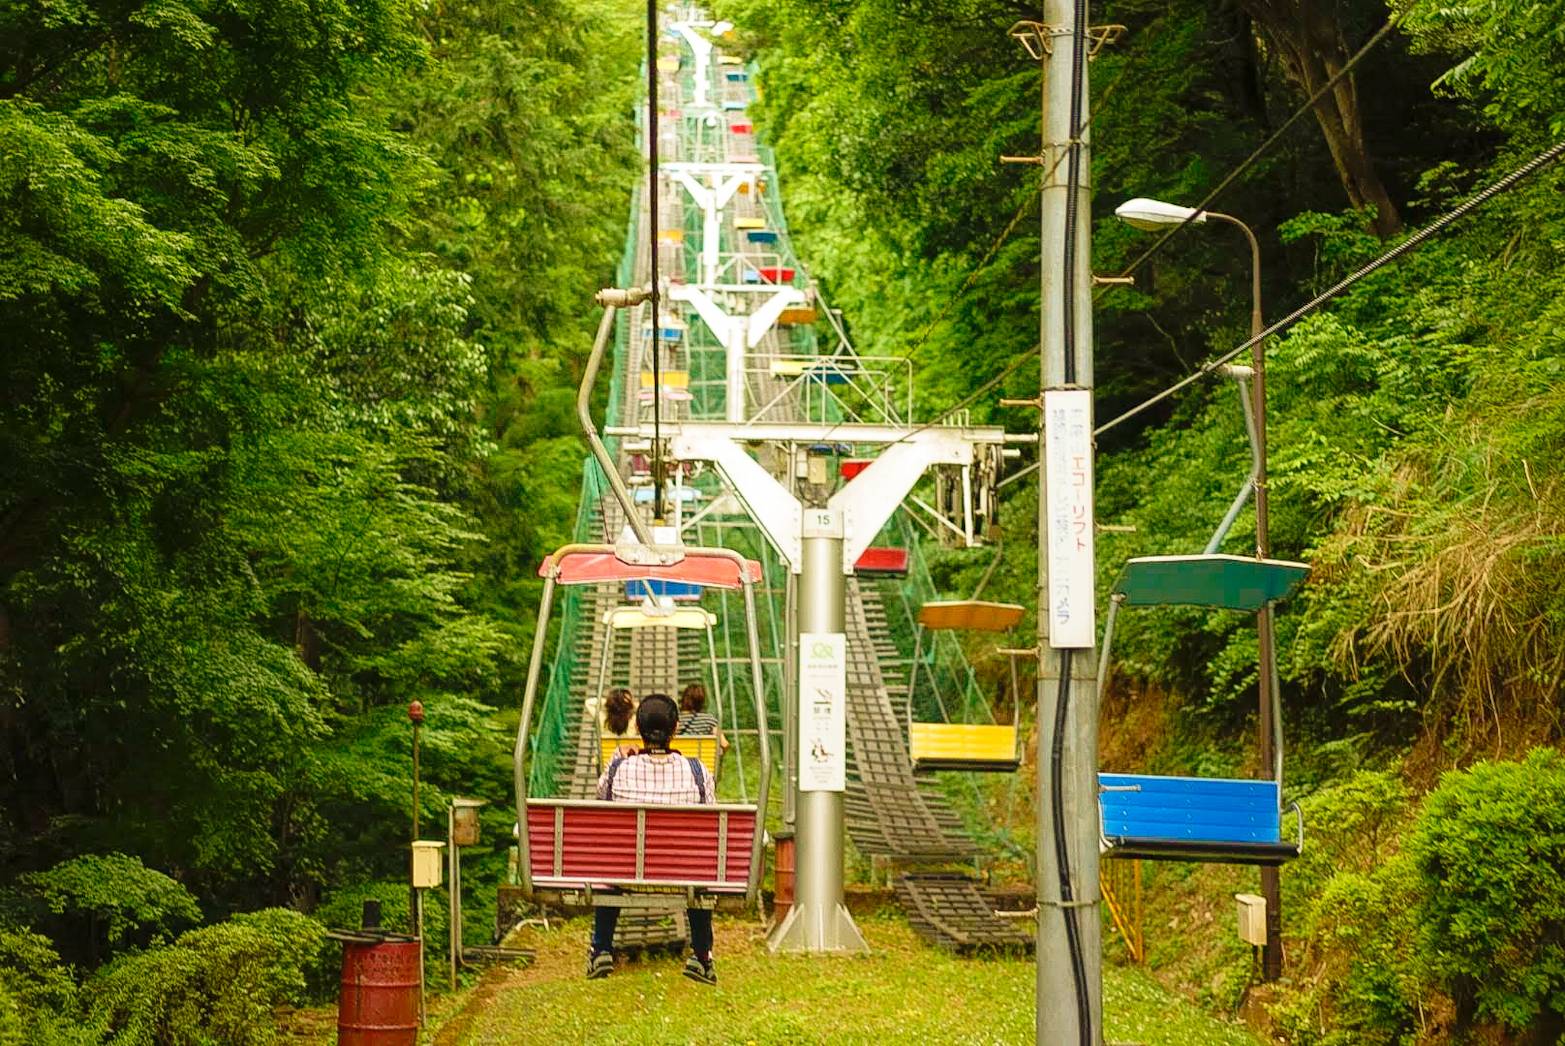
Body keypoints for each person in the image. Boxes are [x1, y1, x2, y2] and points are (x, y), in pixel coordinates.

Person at [587, 693, 718, 986]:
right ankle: (702, 955)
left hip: (627, 873)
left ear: (639, 729)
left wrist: (619, 758)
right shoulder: (698, 772)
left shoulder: (619, 768)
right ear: (675, 729)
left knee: (612, 861)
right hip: (684, 873)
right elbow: (710, 816)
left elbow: (602, 802)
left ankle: (601, 948)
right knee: (699, 867)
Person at [676, 682, 729, 756]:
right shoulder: (709, 720)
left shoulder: (674, 720)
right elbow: (724, 744)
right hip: (702, 765)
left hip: (679, 765)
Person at [599, 687, 638, 759]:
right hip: (627, 762)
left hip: (607, 760)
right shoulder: (633, 720)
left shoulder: (603, 718)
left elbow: (589, 703)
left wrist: (612, 701)